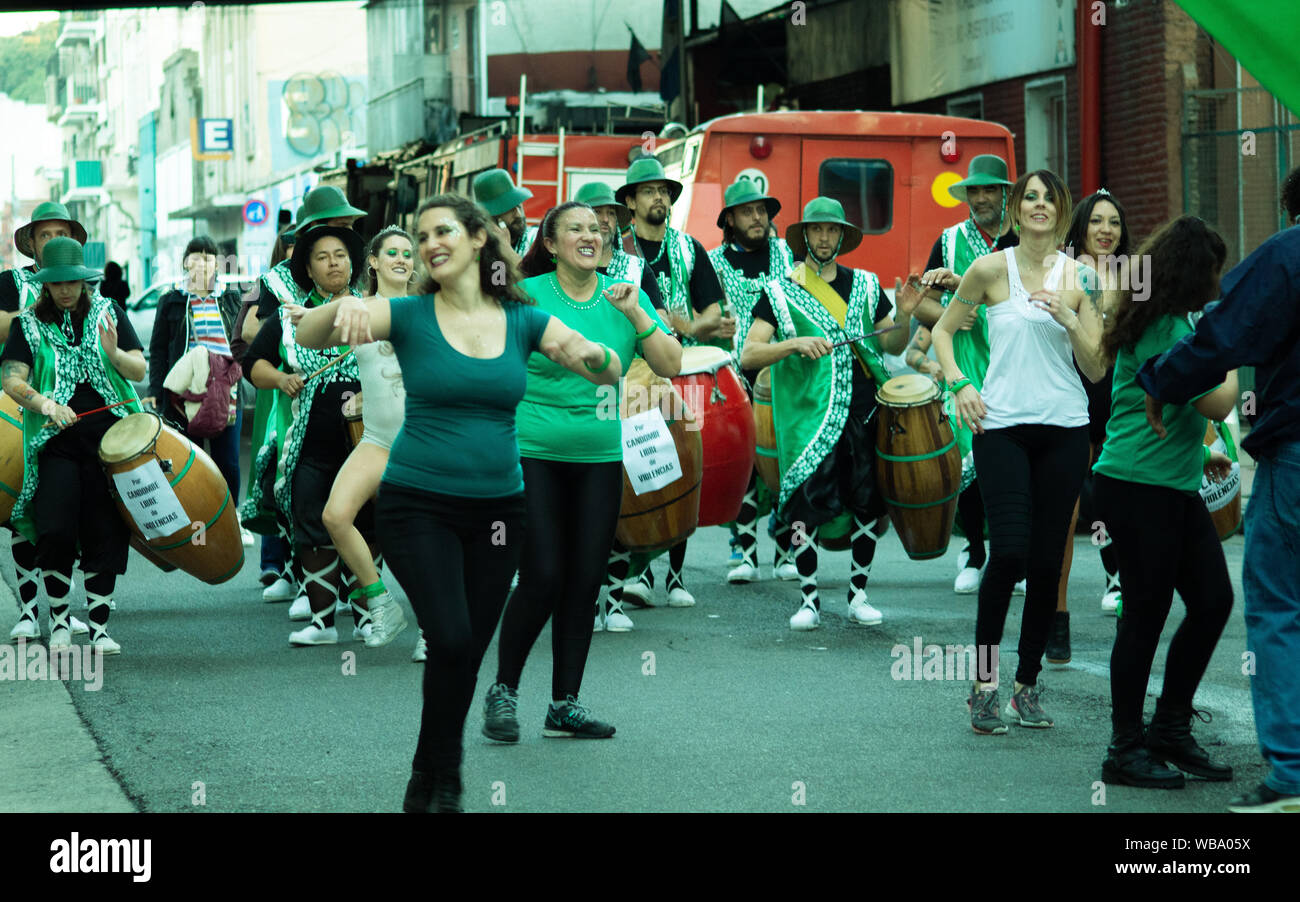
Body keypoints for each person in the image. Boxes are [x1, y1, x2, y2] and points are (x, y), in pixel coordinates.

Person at [316, 193, 622, 812]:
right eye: (423, 235)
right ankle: (447, 773)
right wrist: (340, 309)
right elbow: (304, 330)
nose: (431, 243)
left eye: (444, 230)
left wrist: (599, 356)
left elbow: (605, 368)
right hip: (417, 505)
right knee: (450, 636)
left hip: (501, 515)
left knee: (464, 652)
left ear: (479, 239)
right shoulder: (408, 314)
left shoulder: (523, 320)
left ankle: (427, 777)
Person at [482, 200, 680, 737]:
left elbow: (671, 363)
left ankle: (563, 704)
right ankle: (503, 691)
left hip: (600, 457)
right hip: (532, 451)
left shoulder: (624, 295)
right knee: (544, 573)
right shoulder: (527, 295)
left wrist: (638, 313)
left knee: (584, 580)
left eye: (596, 229)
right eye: (576, 229)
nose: (591, 236)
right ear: (550, 243)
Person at [1136, 167, 1300, 813]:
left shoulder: (1289, 253)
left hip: (1295, 456)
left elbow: (1223, 330)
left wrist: (1162, 381)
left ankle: (1291, 774)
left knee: (1281, 606)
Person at [932, 170, 1109, 734]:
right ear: (1016, 211)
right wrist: (960, 383)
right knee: (1007, 552)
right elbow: (943, 331)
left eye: (1047, 198)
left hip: (1065, 430)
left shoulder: (1082, 278)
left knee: (1045, 562)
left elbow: (1097, 365)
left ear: (1062, 213)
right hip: (1001, 425)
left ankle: (1025, 688)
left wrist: (1067, 317)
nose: (1038, 205)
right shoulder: (989, 269)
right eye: (1028, 197)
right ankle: (983, 685)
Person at [1091, 215, 1236, 789]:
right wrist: (1231, 351)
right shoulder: (1168, 328)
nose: (1218, 282)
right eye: (1213, 270)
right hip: (1136, 486)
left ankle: (1170, 727)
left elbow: (1156, 409)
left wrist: (1201, 459)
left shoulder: (1169, 321)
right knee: (1145, 615)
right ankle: (1123, 748)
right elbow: (1216, 404)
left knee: (1212, 600)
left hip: (1169, 484)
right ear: (1192, 272)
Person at [739, 197, 917, 631]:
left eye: (831, 230)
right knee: (806, 506)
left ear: (842, 236)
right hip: (808, 414)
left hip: (863, 406)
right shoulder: (779, 291)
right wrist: (792, 344)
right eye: (816, 230)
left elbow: (891, 346)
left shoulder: (867, 285)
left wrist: (908, 313)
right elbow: (749, 354)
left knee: (868, 503)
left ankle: (858, 594)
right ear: (804, 237)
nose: (824, 237)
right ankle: (809, 598)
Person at [1, 237, 146, 654]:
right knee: (57, 527)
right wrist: (46, 403)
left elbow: (138, 368)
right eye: (57, 283)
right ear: (45, 284)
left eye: (73, 282)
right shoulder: (26, 324)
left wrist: (115, 353)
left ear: (84, 282)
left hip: (110, 439)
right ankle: (60, 621)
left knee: (105, 527)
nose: (65, 290)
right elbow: (12, 378)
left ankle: (99, 627)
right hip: (55, 439)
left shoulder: (108, 312)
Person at [242, 224, 376, 646]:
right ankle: (322, 623)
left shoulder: (375, 309)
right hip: (309, 443)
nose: (334, 262)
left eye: (340, 254)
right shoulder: (288, 318)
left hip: (366, 443)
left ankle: (366, 618)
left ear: (352, 262)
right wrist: (280, 378)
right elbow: (253, 364)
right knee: (313, 524)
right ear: (309, 271)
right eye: (322, 257)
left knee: (365, 526)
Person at [618, 156, 730, 609]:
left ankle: (677, 576)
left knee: (682, 462)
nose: (659, 197)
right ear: (629, 201)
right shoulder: (619, 253)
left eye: (663, 190)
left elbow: (715, 313)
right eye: (648, 191)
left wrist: (688, 325)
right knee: (643, 467)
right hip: (632, 375)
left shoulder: (689, 249)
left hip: (681, 369)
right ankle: (639, 571)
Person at [296, 226, 415, 653]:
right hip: (379, 440)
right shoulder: (358, 309)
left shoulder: (429, 308)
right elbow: (305, 337)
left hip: (423, 443)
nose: (402, 259)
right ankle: (381, 602)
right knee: (335, 516)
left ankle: (437, 629)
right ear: (374, 263)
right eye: (393, 253)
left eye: (408, 253)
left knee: (419, 537)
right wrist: (335, 308)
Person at [909, 155, 1018, 600]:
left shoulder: (1022, 239)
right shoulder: (950, 239)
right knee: (970, 463)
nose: (980, 198)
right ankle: (975, 553)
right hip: (966, 369)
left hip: (1019, 366)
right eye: (973, 191)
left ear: (1005, 194)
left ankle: (1017, 557)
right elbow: (919, 302)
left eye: (989, 190)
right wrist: (956, 312)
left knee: (1017, 470)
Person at [570, 180, 669, 631]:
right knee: (581, 519)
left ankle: (612, 601)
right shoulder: (557, 279)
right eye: (593, 216)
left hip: (630, 399)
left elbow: (663, 331)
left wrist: (637, 318)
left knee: (623, 507)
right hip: (574, 406)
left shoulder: (634, 269)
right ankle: (584, 601)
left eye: (608, 215)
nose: (602, 223)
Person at [1050, 189, 1134, 665]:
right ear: (1081, 227)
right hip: (1070, 398)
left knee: (1123, 510)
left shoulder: (1135, 280)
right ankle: (1057, 617)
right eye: (1097, 221)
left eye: (1115, 223)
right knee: (1064, 514)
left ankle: (1128, 606)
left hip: (1119, 404)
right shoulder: (1060, 273)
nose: (1106, 230)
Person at [3, 203, 92, 641]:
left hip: (67, 413)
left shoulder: (82, 289)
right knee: (20, 512)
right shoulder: (9, 283)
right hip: (15, 408)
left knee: (60, 508)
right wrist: (32, 321)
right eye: (45, 234)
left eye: (63, 233)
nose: (53, 239)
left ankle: (61, 606)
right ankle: (26, 609)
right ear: (31, 242)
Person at [707, 176, 797, 584]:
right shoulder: (713, 261)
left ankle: (786, 552)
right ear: (730, 219)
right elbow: (700, 315)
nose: (757, 218)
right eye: (748, 211)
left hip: (788, 371)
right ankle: (744, 552)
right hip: (736, 373)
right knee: (744, 466)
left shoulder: (787, 252)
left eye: (762, 210)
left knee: (788, 462)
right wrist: (711, 327)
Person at [143, 237, 244, 510]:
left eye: (209, 258)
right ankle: (196, 518)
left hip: (226, 389)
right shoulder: (172, 300)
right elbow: (158, 349)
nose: (202, 263)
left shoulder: (232, 298)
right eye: (196, 257)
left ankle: (229, 517)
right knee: (191, 458)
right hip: (186, 389)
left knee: (228, 461)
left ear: (218, 265)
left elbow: (244, 341)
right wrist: (154, 391)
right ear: (186, 262)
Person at [232, 227, 295, 596]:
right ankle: (275, 564)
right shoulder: (269, 283)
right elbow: (251, 331)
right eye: (292, 244)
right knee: (273, 465)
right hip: (277, 386)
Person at [473, 168, 537, 258]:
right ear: (490, 217)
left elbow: (527, 272)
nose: (518, 214)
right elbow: (499, 273)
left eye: (519, 206)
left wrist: (506, 250)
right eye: (509, 210)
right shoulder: (478, 247)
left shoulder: (534, 239)